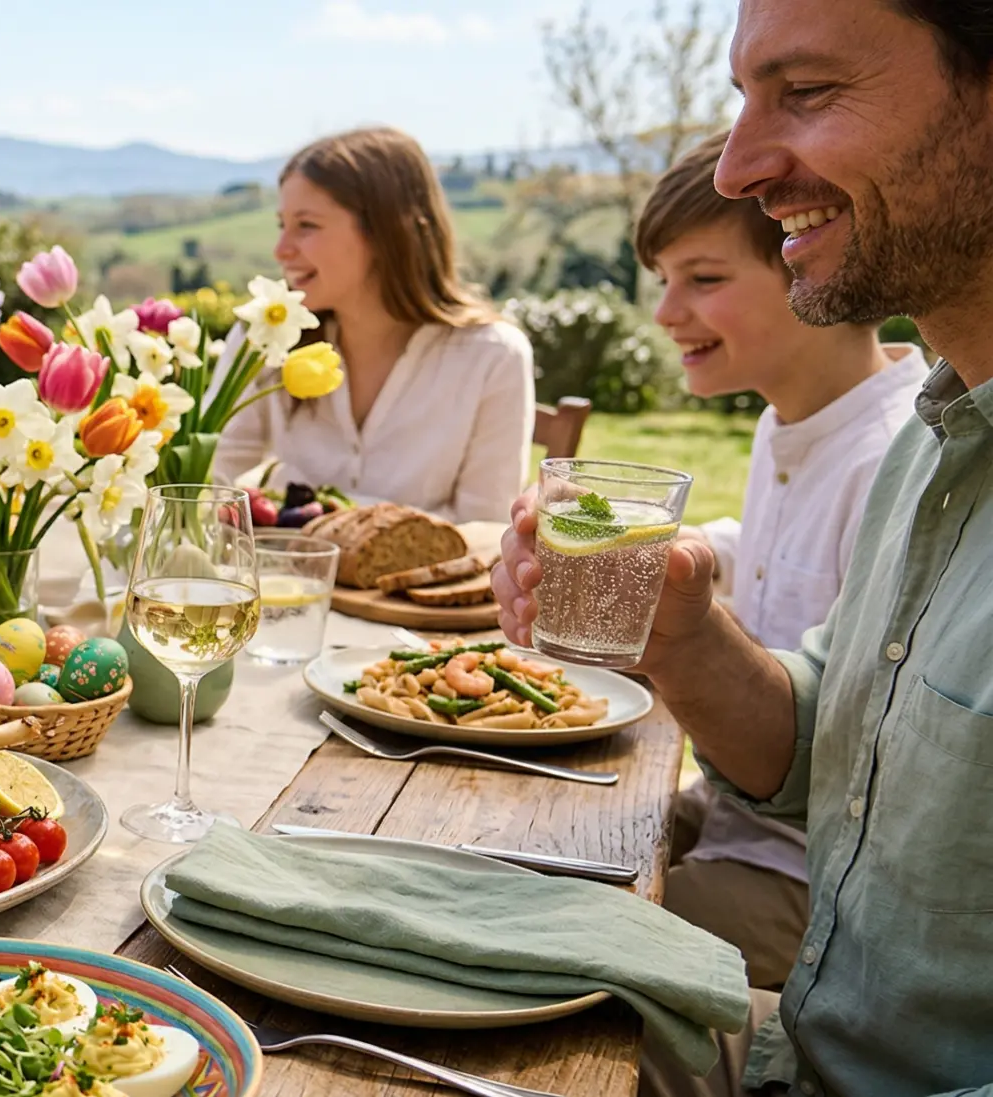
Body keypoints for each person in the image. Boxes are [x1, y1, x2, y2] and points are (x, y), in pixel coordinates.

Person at [493, 1, 993, 1092]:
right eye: (740, 101)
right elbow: (831, 756)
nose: (735, 168)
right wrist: (687, 635)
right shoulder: (934, 437)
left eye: (805, 92)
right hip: (792, 1048)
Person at [635, 132, 931, 993]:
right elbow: (770, 558)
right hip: (733, 820)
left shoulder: (892, 458)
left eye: (705, 278)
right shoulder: (785, 425)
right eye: (664, 282)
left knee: (565, 941)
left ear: (806, 263)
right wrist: (688, 557)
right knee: (543, 844)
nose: (665, 313)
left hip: (808, 884)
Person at [214, 127, 536, 524]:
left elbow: (488, 529)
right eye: (282, 225)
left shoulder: (493, 356)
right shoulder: (262, 337)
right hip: (285, 585)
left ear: (387, 232)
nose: (281, 250)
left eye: (307, 225)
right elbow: (210, 482)